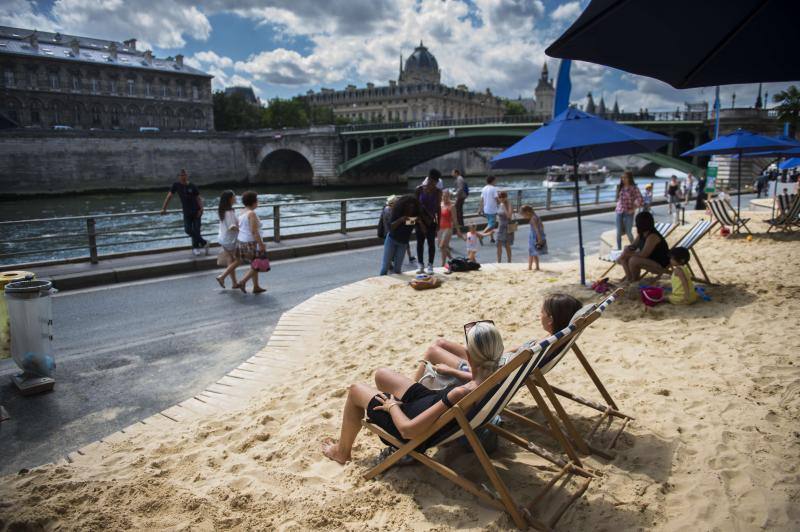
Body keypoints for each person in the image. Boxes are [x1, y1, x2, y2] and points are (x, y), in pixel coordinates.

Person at [322, 321, 505, 464]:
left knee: (355, 390)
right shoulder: (497, 376)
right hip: (428, 401)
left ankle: (341, 453)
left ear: (470, 357)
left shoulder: (461, 392)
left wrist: (392, 406)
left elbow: (408, 431)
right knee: (382, 375)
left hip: (413, 424)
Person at [413, 294, 583, 384]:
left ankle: (409, 390)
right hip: (491, 359)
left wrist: (451, 371)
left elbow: (488, 379)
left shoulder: (546, 345)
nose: (539, 315)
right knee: (440, 342)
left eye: (542, 312)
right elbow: (514, 352)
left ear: (551, 319)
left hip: (481, 370)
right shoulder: (551, 340)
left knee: (432, 351)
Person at [160, 169, 208, 256]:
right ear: (178, 177)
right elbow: (169, 197)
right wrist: (164, 208)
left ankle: (195, 248)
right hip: (186, 212)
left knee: (196, 230)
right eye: (181, 175)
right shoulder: (176, 185)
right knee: (188, 230)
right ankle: (204, 242)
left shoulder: (192, 186)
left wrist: (201, 209)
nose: (183, 177)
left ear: (187, 176)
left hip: (197, 211)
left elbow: (198, 198)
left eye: (184, 175)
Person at [229, 190, 267, 294]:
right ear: (253, 202)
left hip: (242, 241)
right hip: (251, 243)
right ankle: (243, 281)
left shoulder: (242, 212)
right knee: (258, 265)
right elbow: (254, 231)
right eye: (257, 200)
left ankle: (256, 286)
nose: (258, 202)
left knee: (254, 263)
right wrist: (261, 244)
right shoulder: (251, 214)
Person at [617, 211, 671, 283]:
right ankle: (630, 278)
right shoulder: (642, 234)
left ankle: (634, 280)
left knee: (633, 260)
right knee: (624, 258)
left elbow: (644, 254)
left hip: (660, 263)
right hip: (649, 260)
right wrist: (627, 249)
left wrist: (628, 254)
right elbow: (633, 245)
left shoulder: (652, 236)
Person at [380, 195, 423, 275]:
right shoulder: (397, 213)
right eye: (409, 207)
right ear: (404, 206)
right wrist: (400, 220)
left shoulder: (413, 218)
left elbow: (422, 230)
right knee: (385, 267)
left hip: (403, 243)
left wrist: (420, 222)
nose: (410, 210)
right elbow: (391, 227)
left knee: (397, 269)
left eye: (413, 208)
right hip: (391, 240)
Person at [415, 169, 443, 274]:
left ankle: (430, 265)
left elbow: (439, 208)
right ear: (429, 179)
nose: (433, 184)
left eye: (435, 182)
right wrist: (420, 223)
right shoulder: (419, 190)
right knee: (420, 243)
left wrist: (439, 223)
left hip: (431, 221)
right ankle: (420, 264)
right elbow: (415, 208)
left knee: (431, 243)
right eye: (432, 181)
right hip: (419, 221)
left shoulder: (438, 192)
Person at [214, 190, 239, 288]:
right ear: (230, 199)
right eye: (234, 196)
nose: (235, 198)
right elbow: (231, 226)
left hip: (224, 238)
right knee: (239, 260)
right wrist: (242, 230)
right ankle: (222, 276)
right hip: (230, 240)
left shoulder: (223, 210)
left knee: (230, 260)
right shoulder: (229, 212)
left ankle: (234, 283)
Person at [615, 171, 643, 249]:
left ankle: (635, 248)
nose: (623, 179)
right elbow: (618, 199)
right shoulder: (620, 187)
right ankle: (619, 249)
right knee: (618, 233)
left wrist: (633, 208)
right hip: (619, 211)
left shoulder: (634, 188)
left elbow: (640, 199)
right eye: (622, 177)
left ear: (629, 178)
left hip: (629, 213)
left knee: (628, 232)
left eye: (625, 177)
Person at [483, 190, 513, 263]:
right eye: (500, 197)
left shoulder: (508, 204)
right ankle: (499, 261)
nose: (501, 198)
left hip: (507, 227)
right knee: (498, 244)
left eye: (503, 197)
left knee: (506, 245)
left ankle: (509, 261)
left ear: (506, 197)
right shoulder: (500, 204)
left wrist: (504, 207)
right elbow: (499, 217)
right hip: (500, 227)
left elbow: (509, 216)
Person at [437, 190, 463, 267]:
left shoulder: (452, 206)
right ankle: (452, 259)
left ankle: (443, 263)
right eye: (443, 196)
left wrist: (458, 231)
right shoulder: (440, 204)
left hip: (448, 227)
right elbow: (437, 216)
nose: (444, 198)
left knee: (442, 246)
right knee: (442, 247)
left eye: (446, 196)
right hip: (440, 228)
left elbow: (455, 219)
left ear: (449, 197)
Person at [520, 205, 547, 271]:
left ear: (527, 212)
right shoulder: (536, 216)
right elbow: (542, 226)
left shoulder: (532, 219)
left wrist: (539, 238)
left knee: (531, 252)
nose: (523, 217)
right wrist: (542, 235)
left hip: (534, 237)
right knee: (534, 253)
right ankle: (537, 267)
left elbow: (536, 229)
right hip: (537, 236)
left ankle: (529, 267)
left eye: (523, 215)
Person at [478, 175, 499, 243]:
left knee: (490, 223)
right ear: (492, 181)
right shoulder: (494, 188)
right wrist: (501, 204)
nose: (496, 182)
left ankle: (492, 238)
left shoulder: (484, 188)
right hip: (492, 209)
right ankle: (481, 235)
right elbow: (496, 198)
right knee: (491, 224)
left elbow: (481, 199)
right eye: (495, 180)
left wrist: (480, 209)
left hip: (486, 209)